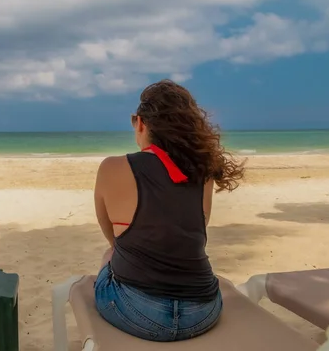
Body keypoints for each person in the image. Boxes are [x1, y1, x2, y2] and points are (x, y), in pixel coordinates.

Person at [94, 79, 244, 342]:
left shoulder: (112, 167)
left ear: (141, 122)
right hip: (203, 311)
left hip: (136, 311)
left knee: (110, 255)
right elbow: (195, 228)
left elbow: (113, 238)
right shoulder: (202, 171)